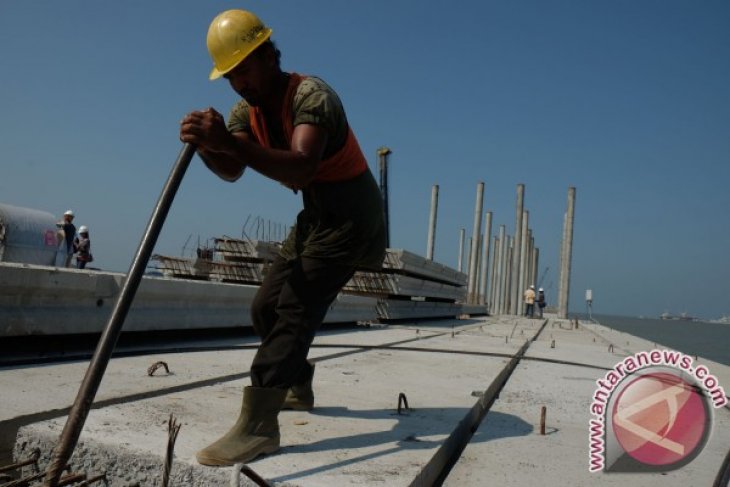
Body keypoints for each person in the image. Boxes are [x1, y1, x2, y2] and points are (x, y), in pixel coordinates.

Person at [179, 9, 386, 467]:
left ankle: (258, 427)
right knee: (265, 308)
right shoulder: (244, 111)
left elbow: (301, 166)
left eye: (245, 69)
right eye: (231, 76)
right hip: (316, 211)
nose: (241, 83)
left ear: (268, 54)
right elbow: (232, 169)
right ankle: (297, 384)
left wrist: (227, 143)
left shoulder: (311, 96)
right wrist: (207, 146)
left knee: (296, 306)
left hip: (352, 211)